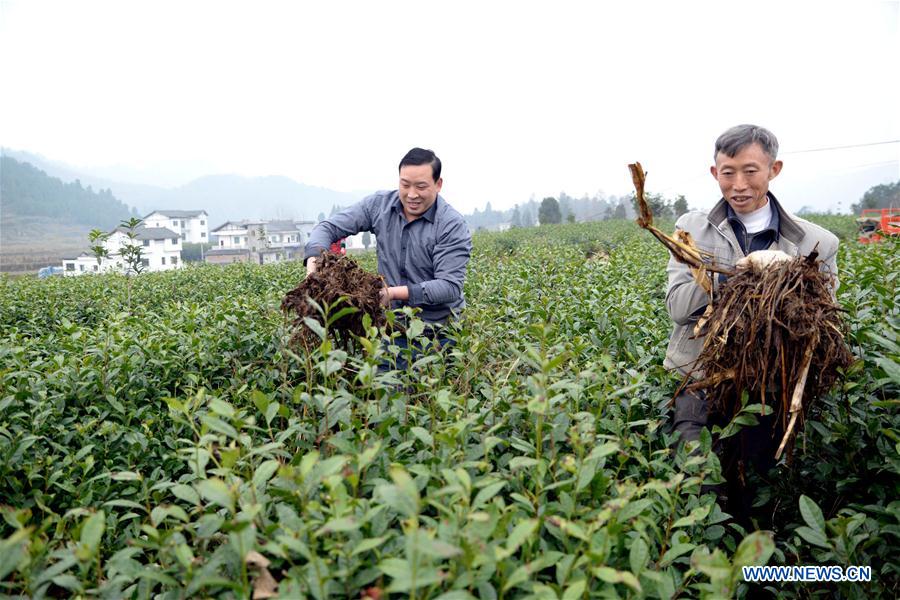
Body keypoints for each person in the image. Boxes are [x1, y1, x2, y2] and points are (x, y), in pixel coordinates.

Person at [665, 124, 839, 514]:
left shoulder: (816, 243)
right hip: (698, 380)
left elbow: (820, 332)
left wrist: (787, 279)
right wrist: (737, 274)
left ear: (774, 169)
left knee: (754, 491)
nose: (738, 184)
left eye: (750, 171)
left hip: (767, 389)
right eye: (727, 172)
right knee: (696, 484)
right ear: (715, 173)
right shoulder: (691, 230)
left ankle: (750, 568)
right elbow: (678, 307)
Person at [304, 147, 472, 369]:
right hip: (393, 327)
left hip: (440, 331)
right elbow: (328, 228)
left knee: (433, 395)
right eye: (405, 185)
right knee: (386, 394)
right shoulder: (379, 206)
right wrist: (314, 262)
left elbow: (449, 286)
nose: (411, 194)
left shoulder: (451, 225)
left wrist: (391, 293)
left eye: (421, 186)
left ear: (438, 184)